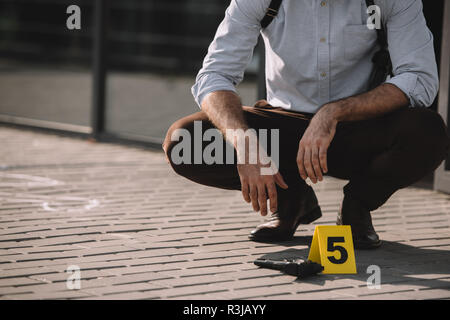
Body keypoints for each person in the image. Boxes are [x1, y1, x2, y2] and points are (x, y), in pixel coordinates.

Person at [163, 0, 449, 249]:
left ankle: (357, 204)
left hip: (357, 126)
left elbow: (420, 78)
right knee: (184, 142)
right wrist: (244, 143)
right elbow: (215, 76)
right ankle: (292, 200)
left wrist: (333, 113)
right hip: (282, 128)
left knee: (427, 132)